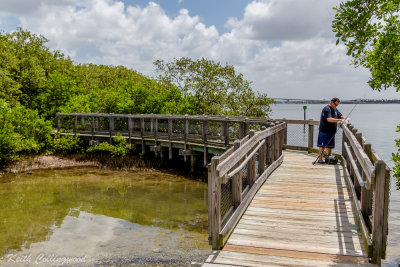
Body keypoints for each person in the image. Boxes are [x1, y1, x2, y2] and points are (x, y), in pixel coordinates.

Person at [317, 97, 346, 164]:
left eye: (337, 105)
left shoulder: (335, 109)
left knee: (329, 146)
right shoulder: (327, 109)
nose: (336, 106)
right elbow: (329, 119)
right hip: (324, 130)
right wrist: (340, 120)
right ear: (332, 102)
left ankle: (328, 158)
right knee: (322, 145)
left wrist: (344, 118)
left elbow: (340, 115)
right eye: (335, 104)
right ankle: (320, 159)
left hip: (331, 131)